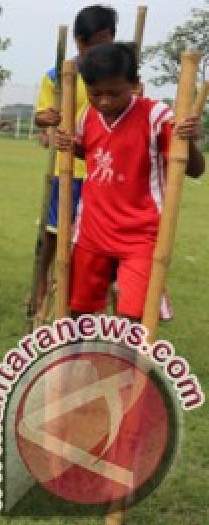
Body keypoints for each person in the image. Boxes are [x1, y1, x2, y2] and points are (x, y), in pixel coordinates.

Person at [54, 43, 203, 319]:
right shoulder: (87, 116)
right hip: (92, 230)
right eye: (95, 93)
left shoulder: (156, 115)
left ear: (134, 85)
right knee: (78, 309)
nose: (105, 101)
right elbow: (97, 152)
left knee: (134, 316)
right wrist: (69, 144)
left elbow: (195, 170)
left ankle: (128, 363)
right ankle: (80, 359)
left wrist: (188, 142)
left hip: (140, 235)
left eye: (114, 92)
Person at [31, 5, 116, 311]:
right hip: (66, 168)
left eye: (107, 40)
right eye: (94, 42)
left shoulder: (118, 75)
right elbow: (40, 116)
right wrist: (48, 117)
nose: (101, 49)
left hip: (104, 170)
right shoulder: (58, 75)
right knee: (53, 236)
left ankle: (89, 298)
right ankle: (39, 292)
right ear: (80, 41)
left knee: (94, 243)